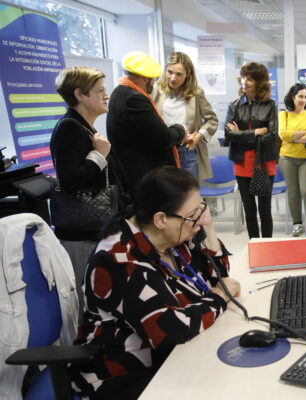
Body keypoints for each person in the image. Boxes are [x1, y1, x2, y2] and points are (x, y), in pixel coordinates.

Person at [68, 166, 241, 399]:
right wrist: (219, 297)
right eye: (193, 215)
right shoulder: (118, 260)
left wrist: (206, 225)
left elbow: (218, 275)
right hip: (122, 373)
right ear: (161, 219)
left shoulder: (173, 236)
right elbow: (171, 330)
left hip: (171, 357)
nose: (199, 219)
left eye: (201, 208)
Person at [50, 66, 128, 316]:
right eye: (100, 91)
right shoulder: (69, 127)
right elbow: (71, 182)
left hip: (96, 228)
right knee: (90, 300)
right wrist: (99, 155)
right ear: (80, 95)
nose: (107, 96)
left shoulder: (85, 127)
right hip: (82, 233)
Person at [107, 51, 186, 195]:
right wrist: (181, 129)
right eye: (153, 79)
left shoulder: (120, 92)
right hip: (143, 177)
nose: (154, 83)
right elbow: (165, 137)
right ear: (144, 78)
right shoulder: (134, 98)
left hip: (135, 174)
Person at [224, 62, 279, 239]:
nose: (245, 82)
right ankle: (254, 244)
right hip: (241, 162)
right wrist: (255, 132)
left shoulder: (270, 105)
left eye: (251, 79)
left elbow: (272, 135)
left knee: (265, 209)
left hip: (264, 162)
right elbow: (228, 135)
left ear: (260, 82)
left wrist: (240, 134)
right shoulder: (234, 106)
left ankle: (268, 246)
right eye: (244, 78)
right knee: (249, 209)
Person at [152, 51, 218, 181]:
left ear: (187, 74)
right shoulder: (155, 89)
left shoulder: (196, 93)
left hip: (187, 151)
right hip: (163, 151)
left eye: (178, 74)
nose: (172, 78)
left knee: (189, 195)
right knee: (166, 195)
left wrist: (199, 136)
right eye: (170, 72)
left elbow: (212, 119)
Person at [278, 83, 306, 237]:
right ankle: (297, 224)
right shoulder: (284, 114)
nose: (303, 99)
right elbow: (283, 134)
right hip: (286, 158)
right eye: (300, 96)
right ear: (293, 97)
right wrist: (302, 134)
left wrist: (294, 137)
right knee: (293, 192)